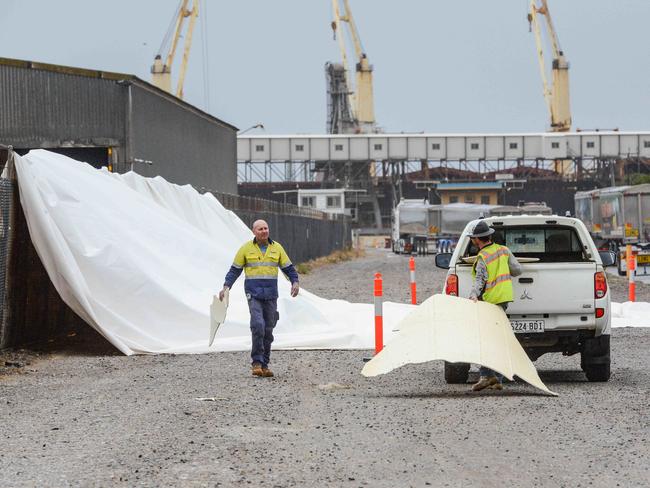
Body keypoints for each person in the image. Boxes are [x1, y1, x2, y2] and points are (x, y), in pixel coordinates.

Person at [219, 220, 299, 378]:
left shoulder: (277, 248)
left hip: (271, 295)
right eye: (260, 229)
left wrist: (295, 282)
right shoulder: (246, 249)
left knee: (268, 330)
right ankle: (256, 362)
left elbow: (288, 268)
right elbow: (234, 270)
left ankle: (264, 364)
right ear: (254, 231)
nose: (264, 231)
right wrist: (226, 286)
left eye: (266, 228)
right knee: (257, 325)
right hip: (253, 294)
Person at [467, 220, 522, 392]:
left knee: (486, 339)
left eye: (472, 239)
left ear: (477, 240)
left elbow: (480, 280)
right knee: (499, 338)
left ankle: (485, 376)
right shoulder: (504, 250)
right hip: (504, 300)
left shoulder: (483, 257)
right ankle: (497, 379)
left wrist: (473, 295)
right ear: (489, 236)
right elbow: (517, 270)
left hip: (490, 301)